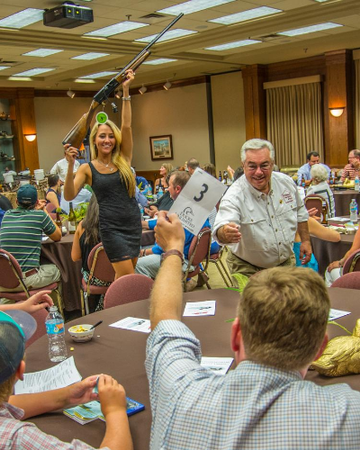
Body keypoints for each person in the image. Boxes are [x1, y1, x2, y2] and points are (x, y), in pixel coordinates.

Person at [145, 212, 360, 449]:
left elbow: (164, 320)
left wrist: (174, 249)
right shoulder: (349, 416)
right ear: (320, 348)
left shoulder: (182, 392)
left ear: (236, 336)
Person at [0, 309, 133, 450]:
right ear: (20, 371)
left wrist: (68, 395)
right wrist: (115, 411)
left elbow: (11, 403)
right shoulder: (17, 438)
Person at [64, 70, 141, 280]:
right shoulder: (87, 168)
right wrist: (71, 165)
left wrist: (125, 90)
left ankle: (113, 310)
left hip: (132, 224)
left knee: (123, 279)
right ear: (94, 140)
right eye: (102, 136)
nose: (107, 140)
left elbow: (126, 125)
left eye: (110, 136)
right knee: (129, 279)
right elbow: (69, 196)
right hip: (112, 230)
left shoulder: (124, 159)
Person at [213, 138, 311, 279]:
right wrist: (225, 232)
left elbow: (301, 213)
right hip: (248, 267)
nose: (258, 172)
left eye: (264, 165)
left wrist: (306, 241)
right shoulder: (234, 196)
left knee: (288, 300)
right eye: (252, 166)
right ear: (243, 165)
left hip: (285, 263)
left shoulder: (286, 183)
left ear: (272, 164)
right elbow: (221, 227)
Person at [136, 171, 213, 285]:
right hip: (190, 258)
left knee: (136, 265)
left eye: (169, 186)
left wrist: (143, 252)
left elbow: (168, 246)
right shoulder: (193, 207)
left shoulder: (185, 214)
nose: (167, 189)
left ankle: (157, 298)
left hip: (181, 260)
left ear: (177, 189)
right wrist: (145, 224)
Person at [0, 185, 62, 305]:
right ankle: (52, 310)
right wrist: (43, 210)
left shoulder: (7, 215)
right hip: (26, 280)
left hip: (4, 280)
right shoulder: (39, 216)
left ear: (16, 201)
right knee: (57, 270)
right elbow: (57, 236)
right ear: (37, 202)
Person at [71, 196, 110, 311]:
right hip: (116, 276)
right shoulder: (117, 226)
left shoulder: (82, 225)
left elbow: (75, 257)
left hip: (92, 279)